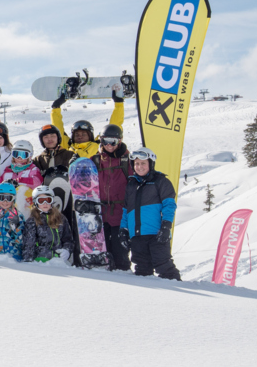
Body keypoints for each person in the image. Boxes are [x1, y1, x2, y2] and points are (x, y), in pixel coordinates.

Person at [119, 147, 181, 280]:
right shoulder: (131, 185)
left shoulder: (161, 181)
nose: (139, 167)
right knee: (142, 269)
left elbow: (169, 205)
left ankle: (178, 294)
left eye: (143, 163)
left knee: (164, 266)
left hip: (156, 234)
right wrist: (123, 230)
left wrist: (166, 225)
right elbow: (126, 210)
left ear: (150, 164)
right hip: (137, 235)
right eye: (136, 164)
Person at [92, 124, 132, 271]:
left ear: (120, 141)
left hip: (121, 215)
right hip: (100, 215)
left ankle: (124, 274)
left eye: (113, 141)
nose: (109, 145)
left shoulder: (127, 161)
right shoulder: (95, 160)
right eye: (105, 140)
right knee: (103, 252)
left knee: (120, 251)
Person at [50, 92, 125, 159]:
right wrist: (56, 108)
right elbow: (58, 130)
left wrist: (118, 104)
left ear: (90, 135)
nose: (80, 136)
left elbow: (114, 127)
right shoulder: (67, 146)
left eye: (84, 134)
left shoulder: (99, 145)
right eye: (76, 134)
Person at [20, 186, 74, 264]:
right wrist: (28, 262)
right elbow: (28, 244)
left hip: (58, 261)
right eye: (41, 200)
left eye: (48, 200)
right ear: (36, 202)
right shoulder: (32, 221)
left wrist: (67, 250)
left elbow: (68, 239)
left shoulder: (61, 218)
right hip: (40, 261)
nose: (45, 203)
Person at [1, 140, 44, 213]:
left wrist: (18, 181)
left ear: (29, 156)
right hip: (8, 205)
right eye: (16, 154)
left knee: (22, 188)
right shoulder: (8, 170)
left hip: (26, 206)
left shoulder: (33, 169)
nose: (19, 158)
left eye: (24, 155)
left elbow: (37, 183)